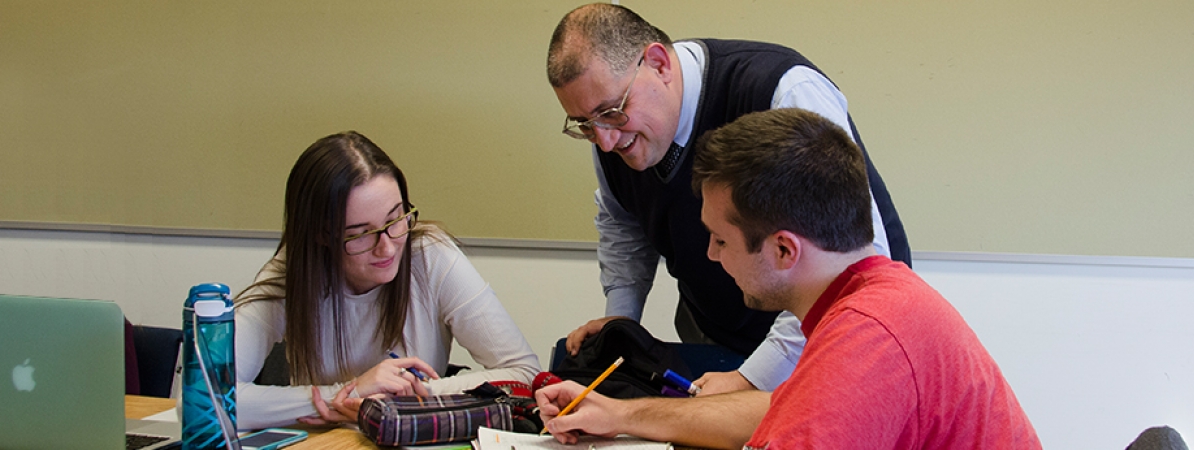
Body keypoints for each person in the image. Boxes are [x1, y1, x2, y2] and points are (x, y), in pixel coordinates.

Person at [535, 108, 1040, 449]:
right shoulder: (879, 297)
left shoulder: (867, 338)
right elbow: (778, 409)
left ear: (783, 249)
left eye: (721, 240)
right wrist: (619, 415)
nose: (710, 255)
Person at [546, 3, 911, 395]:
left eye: (612, 112)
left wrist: (753, 377)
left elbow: (847, 266)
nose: (604, 141)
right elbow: (624, 220)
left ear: (658, 64)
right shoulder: (610, 132)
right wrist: (621, 322)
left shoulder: (781, 89)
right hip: (715, 334)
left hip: (830, 337)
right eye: (585, 124)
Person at [232, 131, 541, 430]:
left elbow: (526, 374)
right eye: (360, 234)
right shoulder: (294, 271)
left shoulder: (429, 255)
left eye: (395, 219)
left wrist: (411, 395)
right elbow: (213, 398)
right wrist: (350, 394)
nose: (388, 247)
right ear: (321, 235)